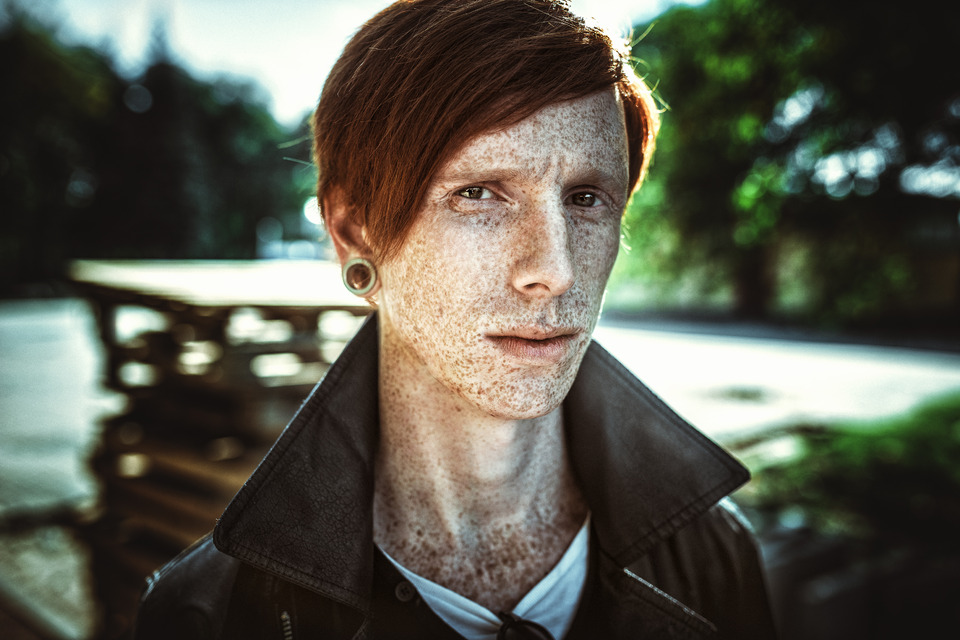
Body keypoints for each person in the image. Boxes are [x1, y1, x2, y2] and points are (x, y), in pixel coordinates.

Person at [134, 0, 777, 638]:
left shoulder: (714, 558)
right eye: (478, 193)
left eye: (585, 198)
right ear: (355, 234)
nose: (555, 269)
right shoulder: (210, 618)